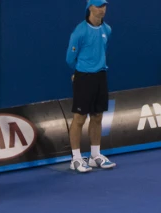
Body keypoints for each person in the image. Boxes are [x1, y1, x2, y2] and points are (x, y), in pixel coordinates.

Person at [65, 0, 116, 173]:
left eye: (104, 6)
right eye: (99, 6)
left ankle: (95, 155)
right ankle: (76, 159)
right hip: (84, 77)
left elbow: (103, 50)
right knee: (79, 118)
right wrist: (79, 72)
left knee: (97, 117)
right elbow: (69, 58)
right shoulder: (80, 31)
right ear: (90, 8)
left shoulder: (107, 29)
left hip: (101, 75)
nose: (102, 9)